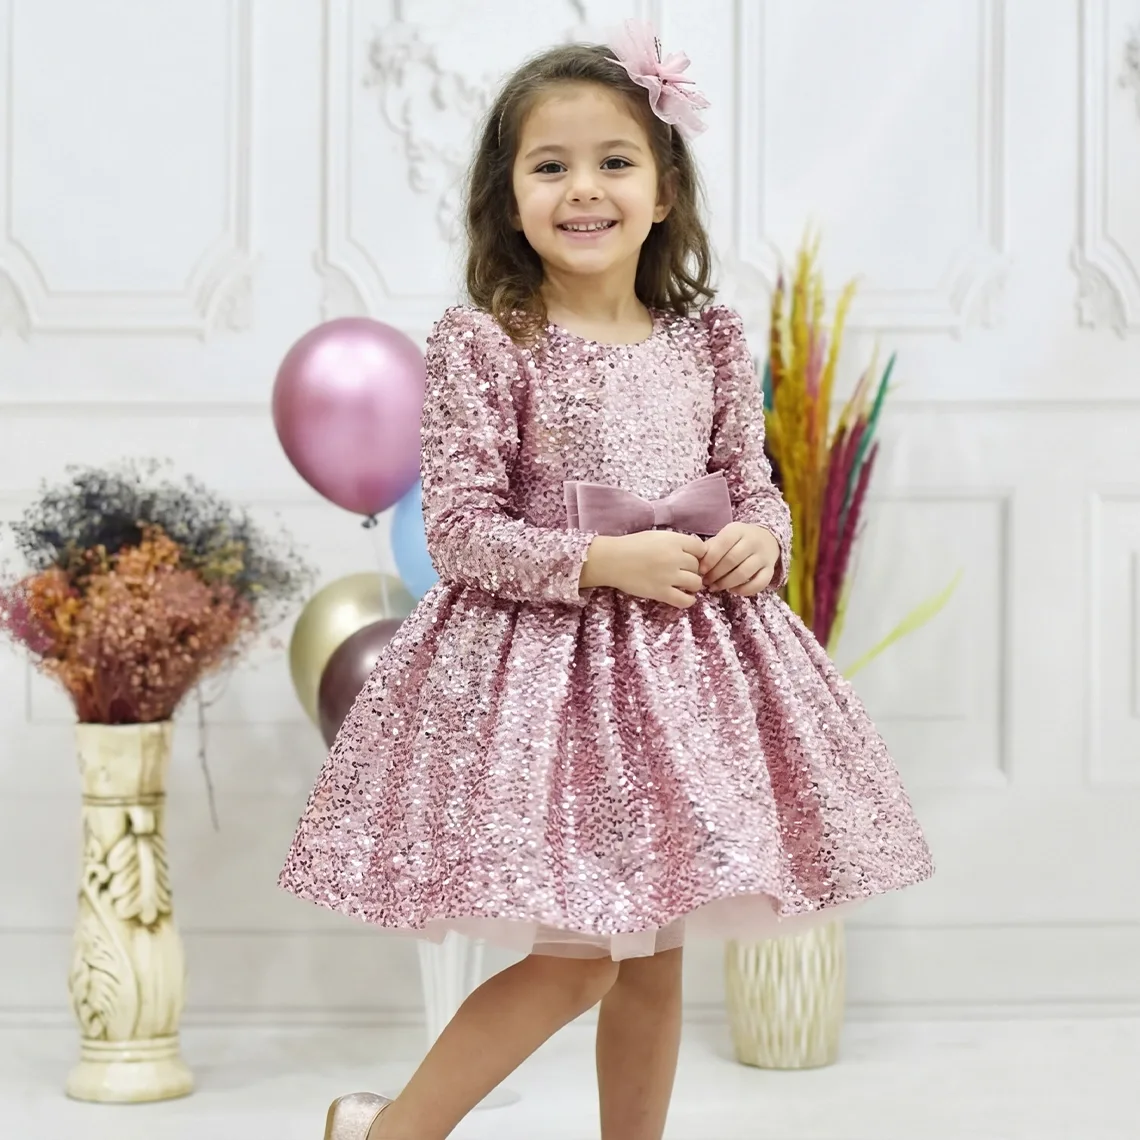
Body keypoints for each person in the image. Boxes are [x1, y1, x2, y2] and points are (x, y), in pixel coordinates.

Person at [278, 21, 934, 1140]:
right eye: (551, 165)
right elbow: (461, 531)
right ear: (508, 197)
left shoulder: (708, 339)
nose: (584, 188)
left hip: (682, 690)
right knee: (579, 960)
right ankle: (386, 1134)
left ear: (665, 189)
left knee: (656, 961)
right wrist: (598, 559)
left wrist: (761, 539)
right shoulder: (488, 341)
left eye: (614, 161)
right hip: (551, 698)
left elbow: (752, 483)